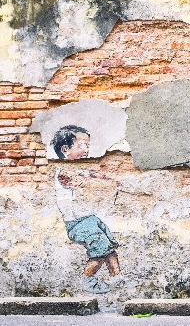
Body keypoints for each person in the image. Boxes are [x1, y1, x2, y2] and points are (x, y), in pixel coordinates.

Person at [51, 125, 120, 294]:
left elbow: (88, 173)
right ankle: (88, 279)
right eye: (82, 145)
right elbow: (76, 180)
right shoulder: (62, 172)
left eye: (88, 145)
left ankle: (118, 279)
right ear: (65, 149)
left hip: (89, 219)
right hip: (76, 224)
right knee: (101, 247)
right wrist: (93, 182)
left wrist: (109, 177)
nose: (86, 150)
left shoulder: (75, 168)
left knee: (109, 245)